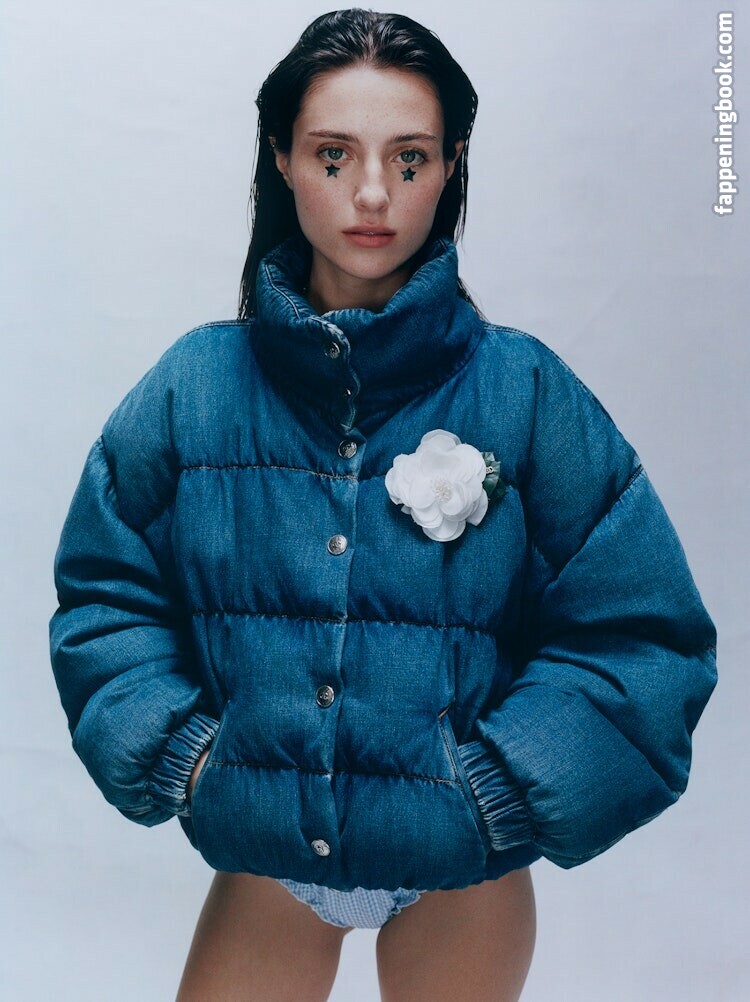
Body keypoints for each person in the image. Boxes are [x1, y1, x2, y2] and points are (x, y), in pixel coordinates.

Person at [48, 8, 718, 1002]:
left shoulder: (526, 391)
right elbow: (107, 599)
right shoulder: (196, 386)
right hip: (267, 873)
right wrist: (190, 762)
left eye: (410, 158)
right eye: (334, 154)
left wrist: (493, 795)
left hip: (462, 883)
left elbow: (643, 638)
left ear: (450, 167)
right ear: (282, 157)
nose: (373, 193)